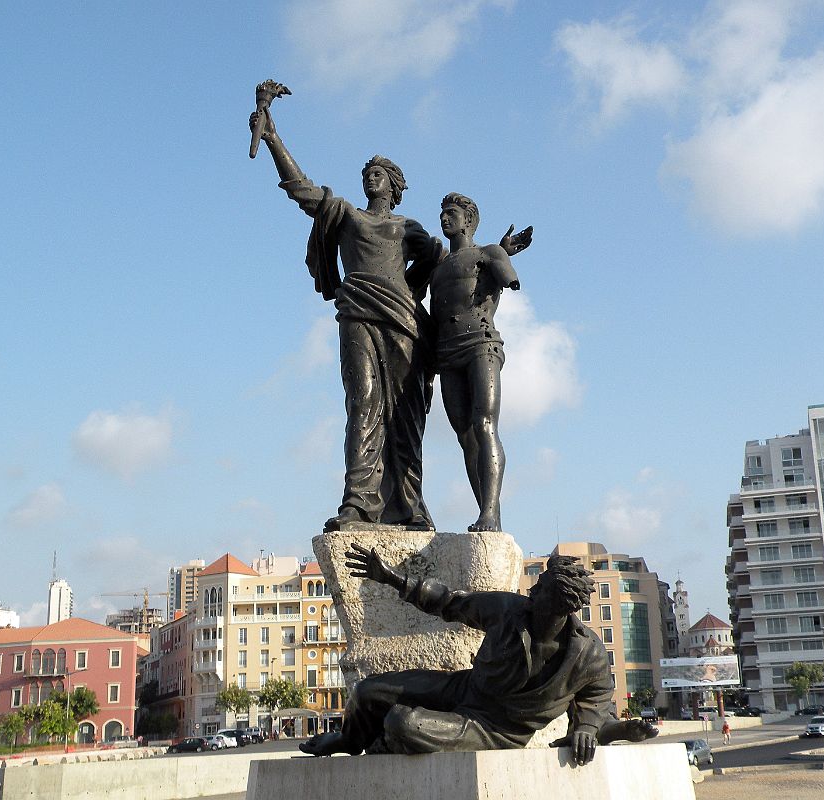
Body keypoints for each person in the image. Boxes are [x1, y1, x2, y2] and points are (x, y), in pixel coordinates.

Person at [251, 104, 439, 532]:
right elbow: (302, 190)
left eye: (379, 173)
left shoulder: (408, 227)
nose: (370, 177)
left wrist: (411, 290)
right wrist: (273, 138)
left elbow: (437, 261)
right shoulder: (347, 214)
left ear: (393, 186)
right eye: (367, 173)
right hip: (357, 313)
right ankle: (358, 502)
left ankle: (410, 505)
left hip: (402, 321)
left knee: (405, 413)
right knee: (363, 402)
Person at [299, 549, 617, 764]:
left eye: (541, 587)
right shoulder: (510, 609)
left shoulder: (587, 654)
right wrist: (392, 578)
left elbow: (598, 694)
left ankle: (393, 742)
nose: (532, 590)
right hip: (465, 688)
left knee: (402, 723)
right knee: (366, 691)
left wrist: (586, 728)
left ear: (559, 604)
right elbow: (450, 602)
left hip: (494, 729)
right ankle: (349, 741)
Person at [429, 193, 530, 531]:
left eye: (451, 213)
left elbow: (507, 277)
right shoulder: (438, 267)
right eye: (442, 214)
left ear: (469, 220)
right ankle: (489, 514)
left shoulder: (488, 252)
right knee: (465, 436)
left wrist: (502, 256)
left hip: (480, 344)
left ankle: (488, 513)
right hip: (446, 352)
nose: (444, 219)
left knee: (484, 424)